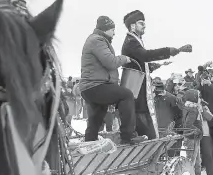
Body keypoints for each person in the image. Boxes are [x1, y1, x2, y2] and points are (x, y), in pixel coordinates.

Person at [121, 10, 191, 139]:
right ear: (132, 26)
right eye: (141, 23)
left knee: (147, 129)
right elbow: (145, 55)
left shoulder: (135, 41)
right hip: (136, 93)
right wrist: (168, 51)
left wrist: (157, 65)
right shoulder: (131, 42)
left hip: (139, 94)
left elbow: (140, 63)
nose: (144, 26)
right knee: (147, 132)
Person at [79, 16, 145, 144]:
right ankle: (128, 135)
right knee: (126, 95)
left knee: (96, 118)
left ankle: (89, 143)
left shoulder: (96, 40)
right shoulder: (97, 40)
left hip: (91, 87)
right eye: (112, 30)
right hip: (95, 86)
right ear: (105, 29)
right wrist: (124, 58)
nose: (114, 33)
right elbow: (110, 62)